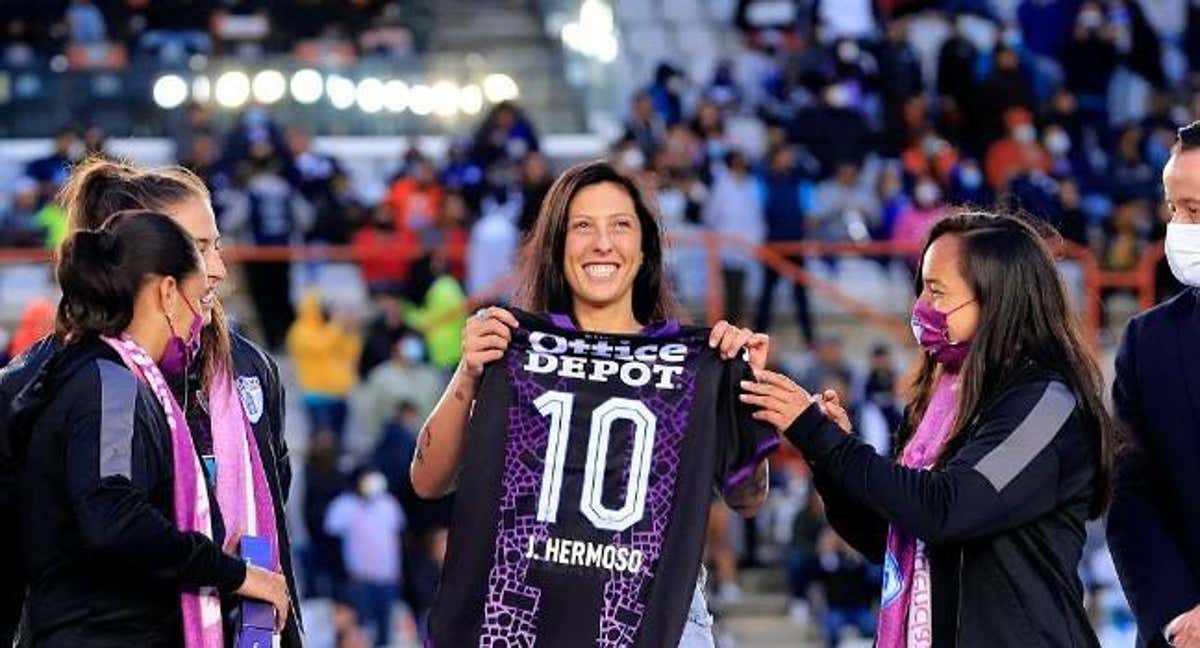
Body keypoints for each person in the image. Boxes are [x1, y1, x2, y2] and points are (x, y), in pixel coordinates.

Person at [411, 160, 775, 647]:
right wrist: (467, 373)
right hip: (528, 615)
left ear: (645, 248)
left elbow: (747, 497)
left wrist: (749, 393)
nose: (602, 243)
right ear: (557, 246)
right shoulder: (510, 349)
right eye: (582, 226)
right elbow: (427, 480)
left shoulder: (700, 362)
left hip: (657, 619)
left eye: (620, 225)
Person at [744, 212, 1116, 646]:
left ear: (996, 300)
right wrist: (828, 460)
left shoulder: (1047, 405)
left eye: (937, 291)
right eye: (921, 286)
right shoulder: (941, 400)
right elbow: (892, 541)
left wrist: (823, 439)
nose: (921, 306)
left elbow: (947, 509)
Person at [0, 158, 301, 646]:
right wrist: (232, 572)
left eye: (216, 246)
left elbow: (275, 507)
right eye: (198, 251)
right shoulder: (106, 380)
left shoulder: (246, 370)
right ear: (161, 281)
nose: (216, 271)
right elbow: (112, 515)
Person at [1108, 120, 1200, 647]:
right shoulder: (1148, 342)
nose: (1181, 227)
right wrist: (1177, 614)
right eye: (1173, 208)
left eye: (1197, 211)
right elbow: (1129, 494)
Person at [325, 468, 406, 647]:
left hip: (387, 579)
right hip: (359, 581)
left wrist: (400, 572)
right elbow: (331, 542)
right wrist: (342, 576)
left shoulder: (389, 504)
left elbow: (398, 539)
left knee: (385, 633)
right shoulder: (344, 505)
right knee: (360, 633)